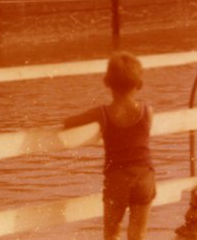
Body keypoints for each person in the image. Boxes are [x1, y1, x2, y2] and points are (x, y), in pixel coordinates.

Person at [63, 52, 155, 240]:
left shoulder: (103, 113)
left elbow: (69, 122)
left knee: (111, 234)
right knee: (138, 234)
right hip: (145, 175)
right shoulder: (147, 111)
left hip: (117, 178)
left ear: (108, 83)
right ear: (138, 84)